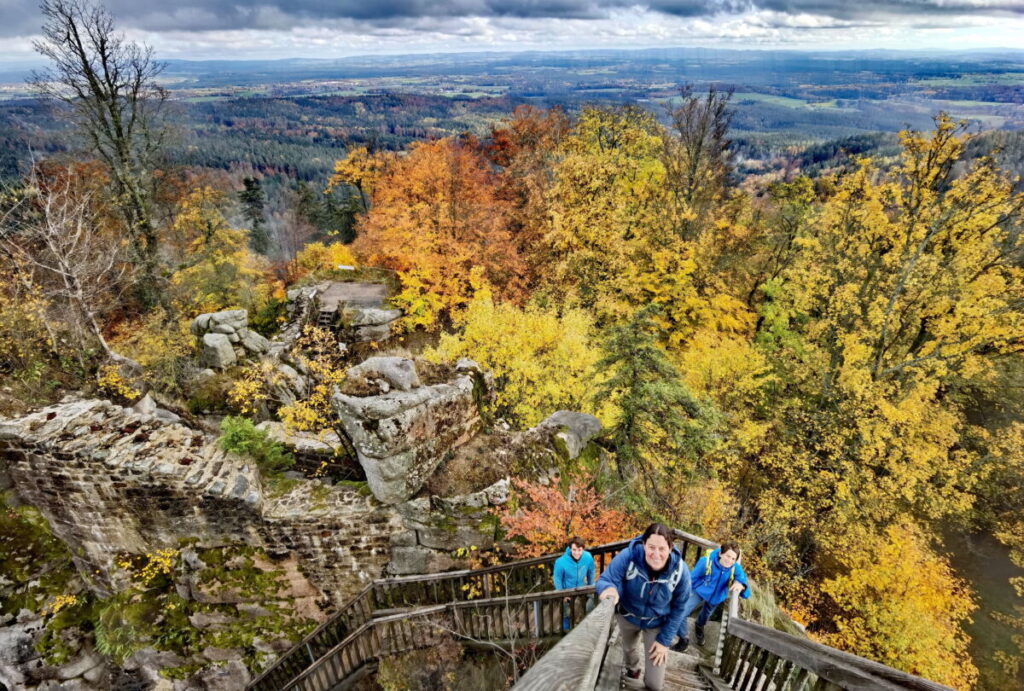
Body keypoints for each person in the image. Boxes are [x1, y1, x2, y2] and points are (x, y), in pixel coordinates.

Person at [597, 523, 691, 691]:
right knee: (629, 649)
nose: (656, 554)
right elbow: (606, 579)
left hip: (656, 623)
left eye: (662, 549)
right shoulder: (629, 556)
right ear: (643, 545)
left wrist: (665, 640)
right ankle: (633, 670)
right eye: (651, 547)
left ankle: (648, 680)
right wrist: (608, 588)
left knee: (654, 684)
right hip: (628, 615)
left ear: (670, 548)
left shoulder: (680, 571)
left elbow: (680, 608)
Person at [672, 542, 749, 652]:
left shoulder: (735, 567)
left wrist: (741, 585)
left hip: (717, 596)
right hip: (700, 590)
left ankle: (699, 626)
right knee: (681, 611)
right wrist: (682, 594)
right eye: (728, 556)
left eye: (733, 558)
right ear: (721, 554)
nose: (730, 561)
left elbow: (743, 581)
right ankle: (684, 638)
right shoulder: (706, 562)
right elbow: (691, 579)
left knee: (705, 615)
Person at [553, 536, 596, 630]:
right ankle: (566, 627)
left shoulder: (587, 557)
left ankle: (582, 620)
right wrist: (562, 593)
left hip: (581, 586)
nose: (577, 553)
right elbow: (557, 578)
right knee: (565, 609)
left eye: (579, 550)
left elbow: (591, 570)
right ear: (570, 548)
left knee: (596, 596)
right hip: (566, 589)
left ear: (583, 549)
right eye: (574, 549)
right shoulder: (560, 562)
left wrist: (590, 584)